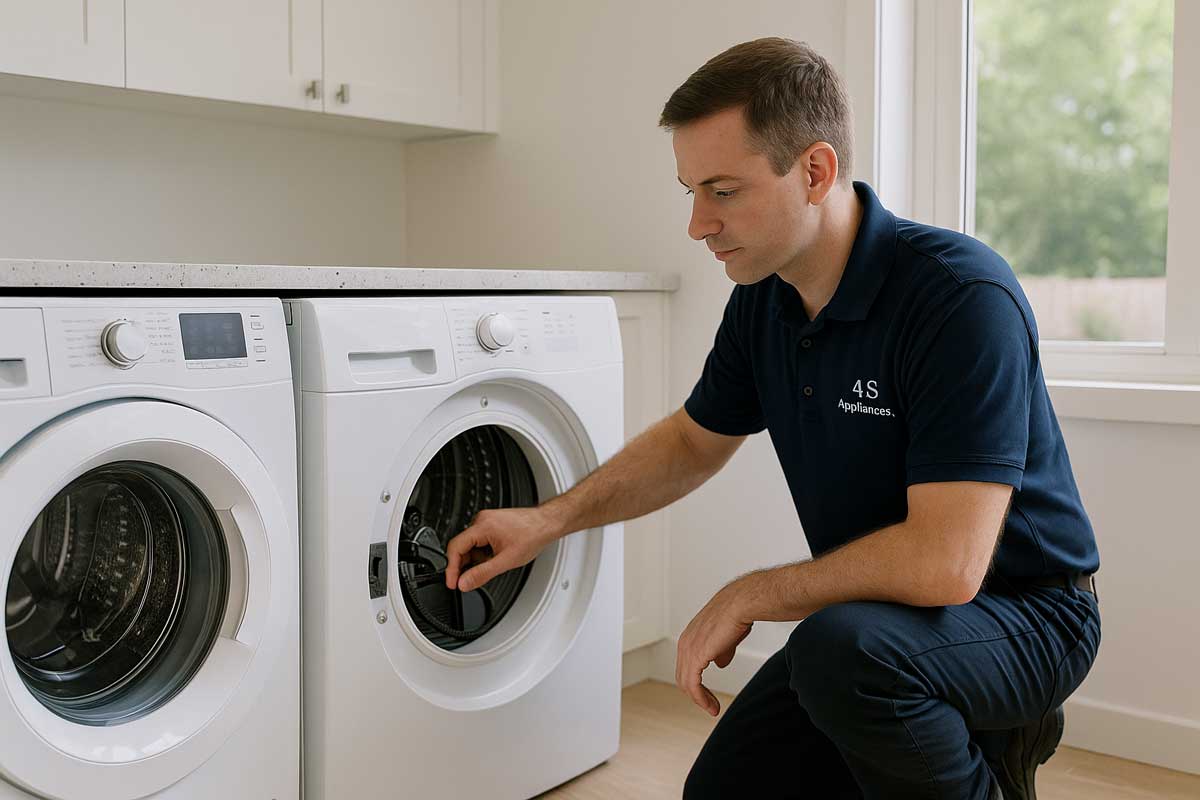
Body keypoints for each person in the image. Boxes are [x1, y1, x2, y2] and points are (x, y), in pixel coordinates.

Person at [443, 37, 1101, 800]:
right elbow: (692, 442)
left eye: (723, 191)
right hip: (878, 624)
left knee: (842, 654)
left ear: (815, 171)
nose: (697, 224)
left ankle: (995, 744)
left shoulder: (958, 298)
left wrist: (747, 594)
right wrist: (549, 519)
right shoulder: (763, 302)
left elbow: (946, 565)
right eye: (689, 190)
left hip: (1028, 613)